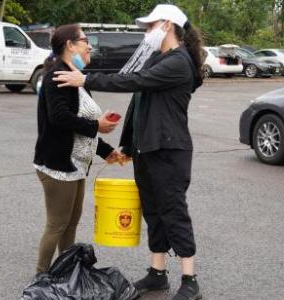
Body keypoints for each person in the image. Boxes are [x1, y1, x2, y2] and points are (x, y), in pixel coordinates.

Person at [53, 4, 206, 300]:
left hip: (170, 150)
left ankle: (190, 280)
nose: (146, 33)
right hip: (147, 148)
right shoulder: (157, 59)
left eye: (150, 27)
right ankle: (157, 273)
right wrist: (126, 145)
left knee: (173, 211)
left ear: (166, 26)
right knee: (153, 211)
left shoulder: (178, 62)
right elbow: (139, 103)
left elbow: (133, 81)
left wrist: (85, 79)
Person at [33, 24, 122, 273]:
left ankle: (66, 271)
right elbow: (60, 117)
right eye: (85, 40)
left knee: (70, 224)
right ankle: (40, 276)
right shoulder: (57, 75)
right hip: (58, 165)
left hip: (77, 164)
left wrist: (106, 150)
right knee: (57, 225)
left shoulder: (77, 77)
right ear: (70, 45)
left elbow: (80, 122)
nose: (90, 45)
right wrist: (97, 125)